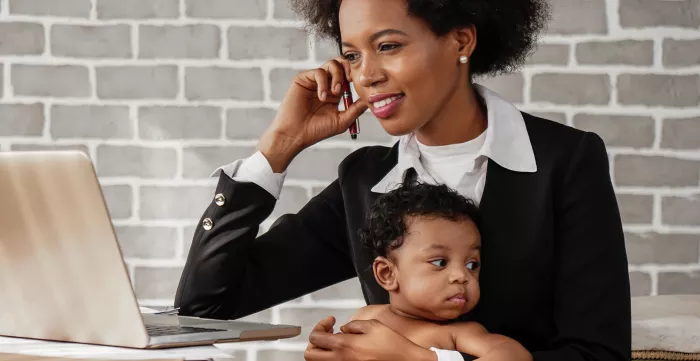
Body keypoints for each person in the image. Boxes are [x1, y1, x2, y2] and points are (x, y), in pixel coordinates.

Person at [174, 0, 632, 360]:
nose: (367, 75)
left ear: (460, 41)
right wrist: (279, 146)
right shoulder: (366, 181)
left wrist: (426, 360)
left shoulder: (564, 161)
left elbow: (597, 353)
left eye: (388, 46)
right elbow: (205, 307)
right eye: (352, 55)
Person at [345, 180, 531, 361]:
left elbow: (515, 354)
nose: (461, 276)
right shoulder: (366, 316)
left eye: (472, 265)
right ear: (388, 274)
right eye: (440, 262)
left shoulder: (458, 333)